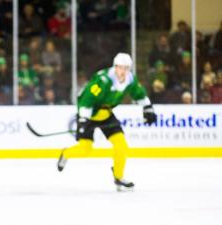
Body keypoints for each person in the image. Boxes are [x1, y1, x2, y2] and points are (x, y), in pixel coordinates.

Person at [57, 53, 157, 191]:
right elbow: (87, 99)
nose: (123, 71)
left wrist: (148, 108)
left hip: (107, 115)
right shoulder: (103, 80)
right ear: (115, 67)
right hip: (90, 115)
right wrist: (83, 119)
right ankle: (65, 154)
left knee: (121, 145)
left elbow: (138, 94)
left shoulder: (130, 80)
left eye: (126, 68)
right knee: (85, 149)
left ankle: (119, 177)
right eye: (121, 68)